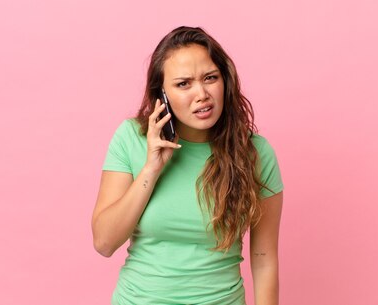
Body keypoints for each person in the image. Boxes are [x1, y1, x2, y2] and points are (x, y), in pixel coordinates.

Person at [91, 26, 284, 305]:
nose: (202, 93)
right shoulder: (131, 138)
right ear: (163, 94)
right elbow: (104, 243)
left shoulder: (256, 153)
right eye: (183, 84)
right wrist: (151, 168)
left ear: (225, 82)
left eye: (210, 78)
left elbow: (264, 261)